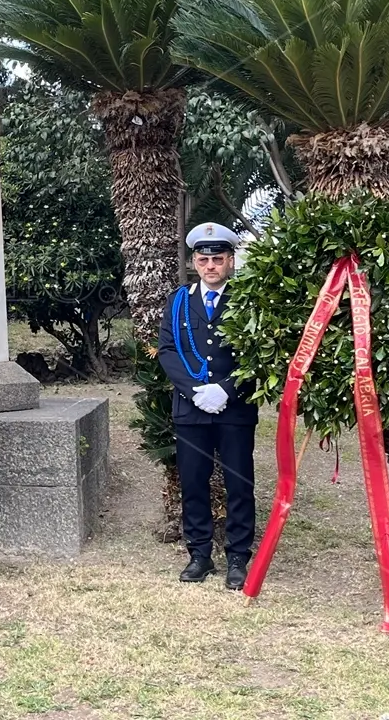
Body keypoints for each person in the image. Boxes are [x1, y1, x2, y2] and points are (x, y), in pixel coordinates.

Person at [157, 223, 258, 590]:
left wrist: (226, 390)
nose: (210, 266)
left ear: (230, 261)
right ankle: (199, 554)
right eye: (203, 260)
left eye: (218, 259)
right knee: (194, 483)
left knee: (239, 483)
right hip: (192, 408)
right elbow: (167, 350)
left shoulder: (247, 300)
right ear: (194, 262)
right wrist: (195, 391)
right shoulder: (179, 301)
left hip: (235, 408)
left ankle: (238, 556)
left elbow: (258, 353)